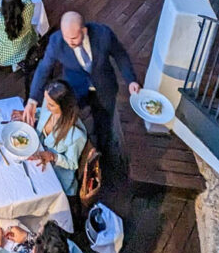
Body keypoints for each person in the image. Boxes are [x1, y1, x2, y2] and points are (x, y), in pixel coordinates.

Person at [23, 11, 140, 161]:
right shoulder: (57, 41)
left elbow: (120, 55)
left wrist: (131, 80)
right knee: (68, 119)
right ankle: (72, 156)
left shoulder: (103, 34)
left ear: (83, 30)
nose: (69, 42)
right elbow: (43, 68)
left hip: (104, 87)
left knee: (104, 123)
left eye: (74, 38)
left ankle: (103, 155)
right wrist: (32, 99)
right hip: (75, 89)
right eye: (66, 37)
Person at [31, 80, 88, 196]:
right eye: (46, 100)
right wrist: (30, 113)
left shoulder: (77, 135)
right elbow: (41, 111)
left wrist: (53, 156)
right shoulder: (49, 104)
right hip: (38, 154)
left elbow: (72, 163)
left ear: (64, 107)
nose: (46, 106)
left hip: (56, 176)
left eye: (51, 105)